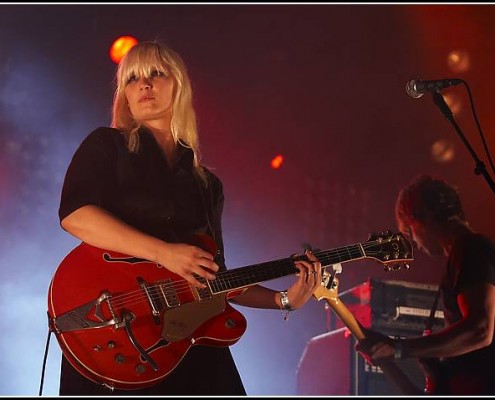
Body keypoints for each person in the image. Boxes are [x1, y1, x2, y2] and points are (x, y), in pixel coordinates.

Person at [56, 40, 322, 396]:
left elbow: (215, 276)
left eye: (156, 74)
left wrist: (283, 300)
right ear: (125, 95)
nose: (145, 85)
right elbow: (76, 215)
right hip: (118, 330)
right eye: (133, 79)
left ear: (179, 85)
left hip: (187, 337)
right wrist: (165, 253)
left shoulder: (207, 185)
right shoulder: (106, 146)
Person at [355, 174, 495, 395]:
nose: (416, 244)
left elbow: (481, 330)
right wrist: (385, 356)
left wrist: (400, 349)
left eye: (409, 232)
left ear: (421, 218)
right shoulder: (461, 256)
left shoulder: (470, 248)